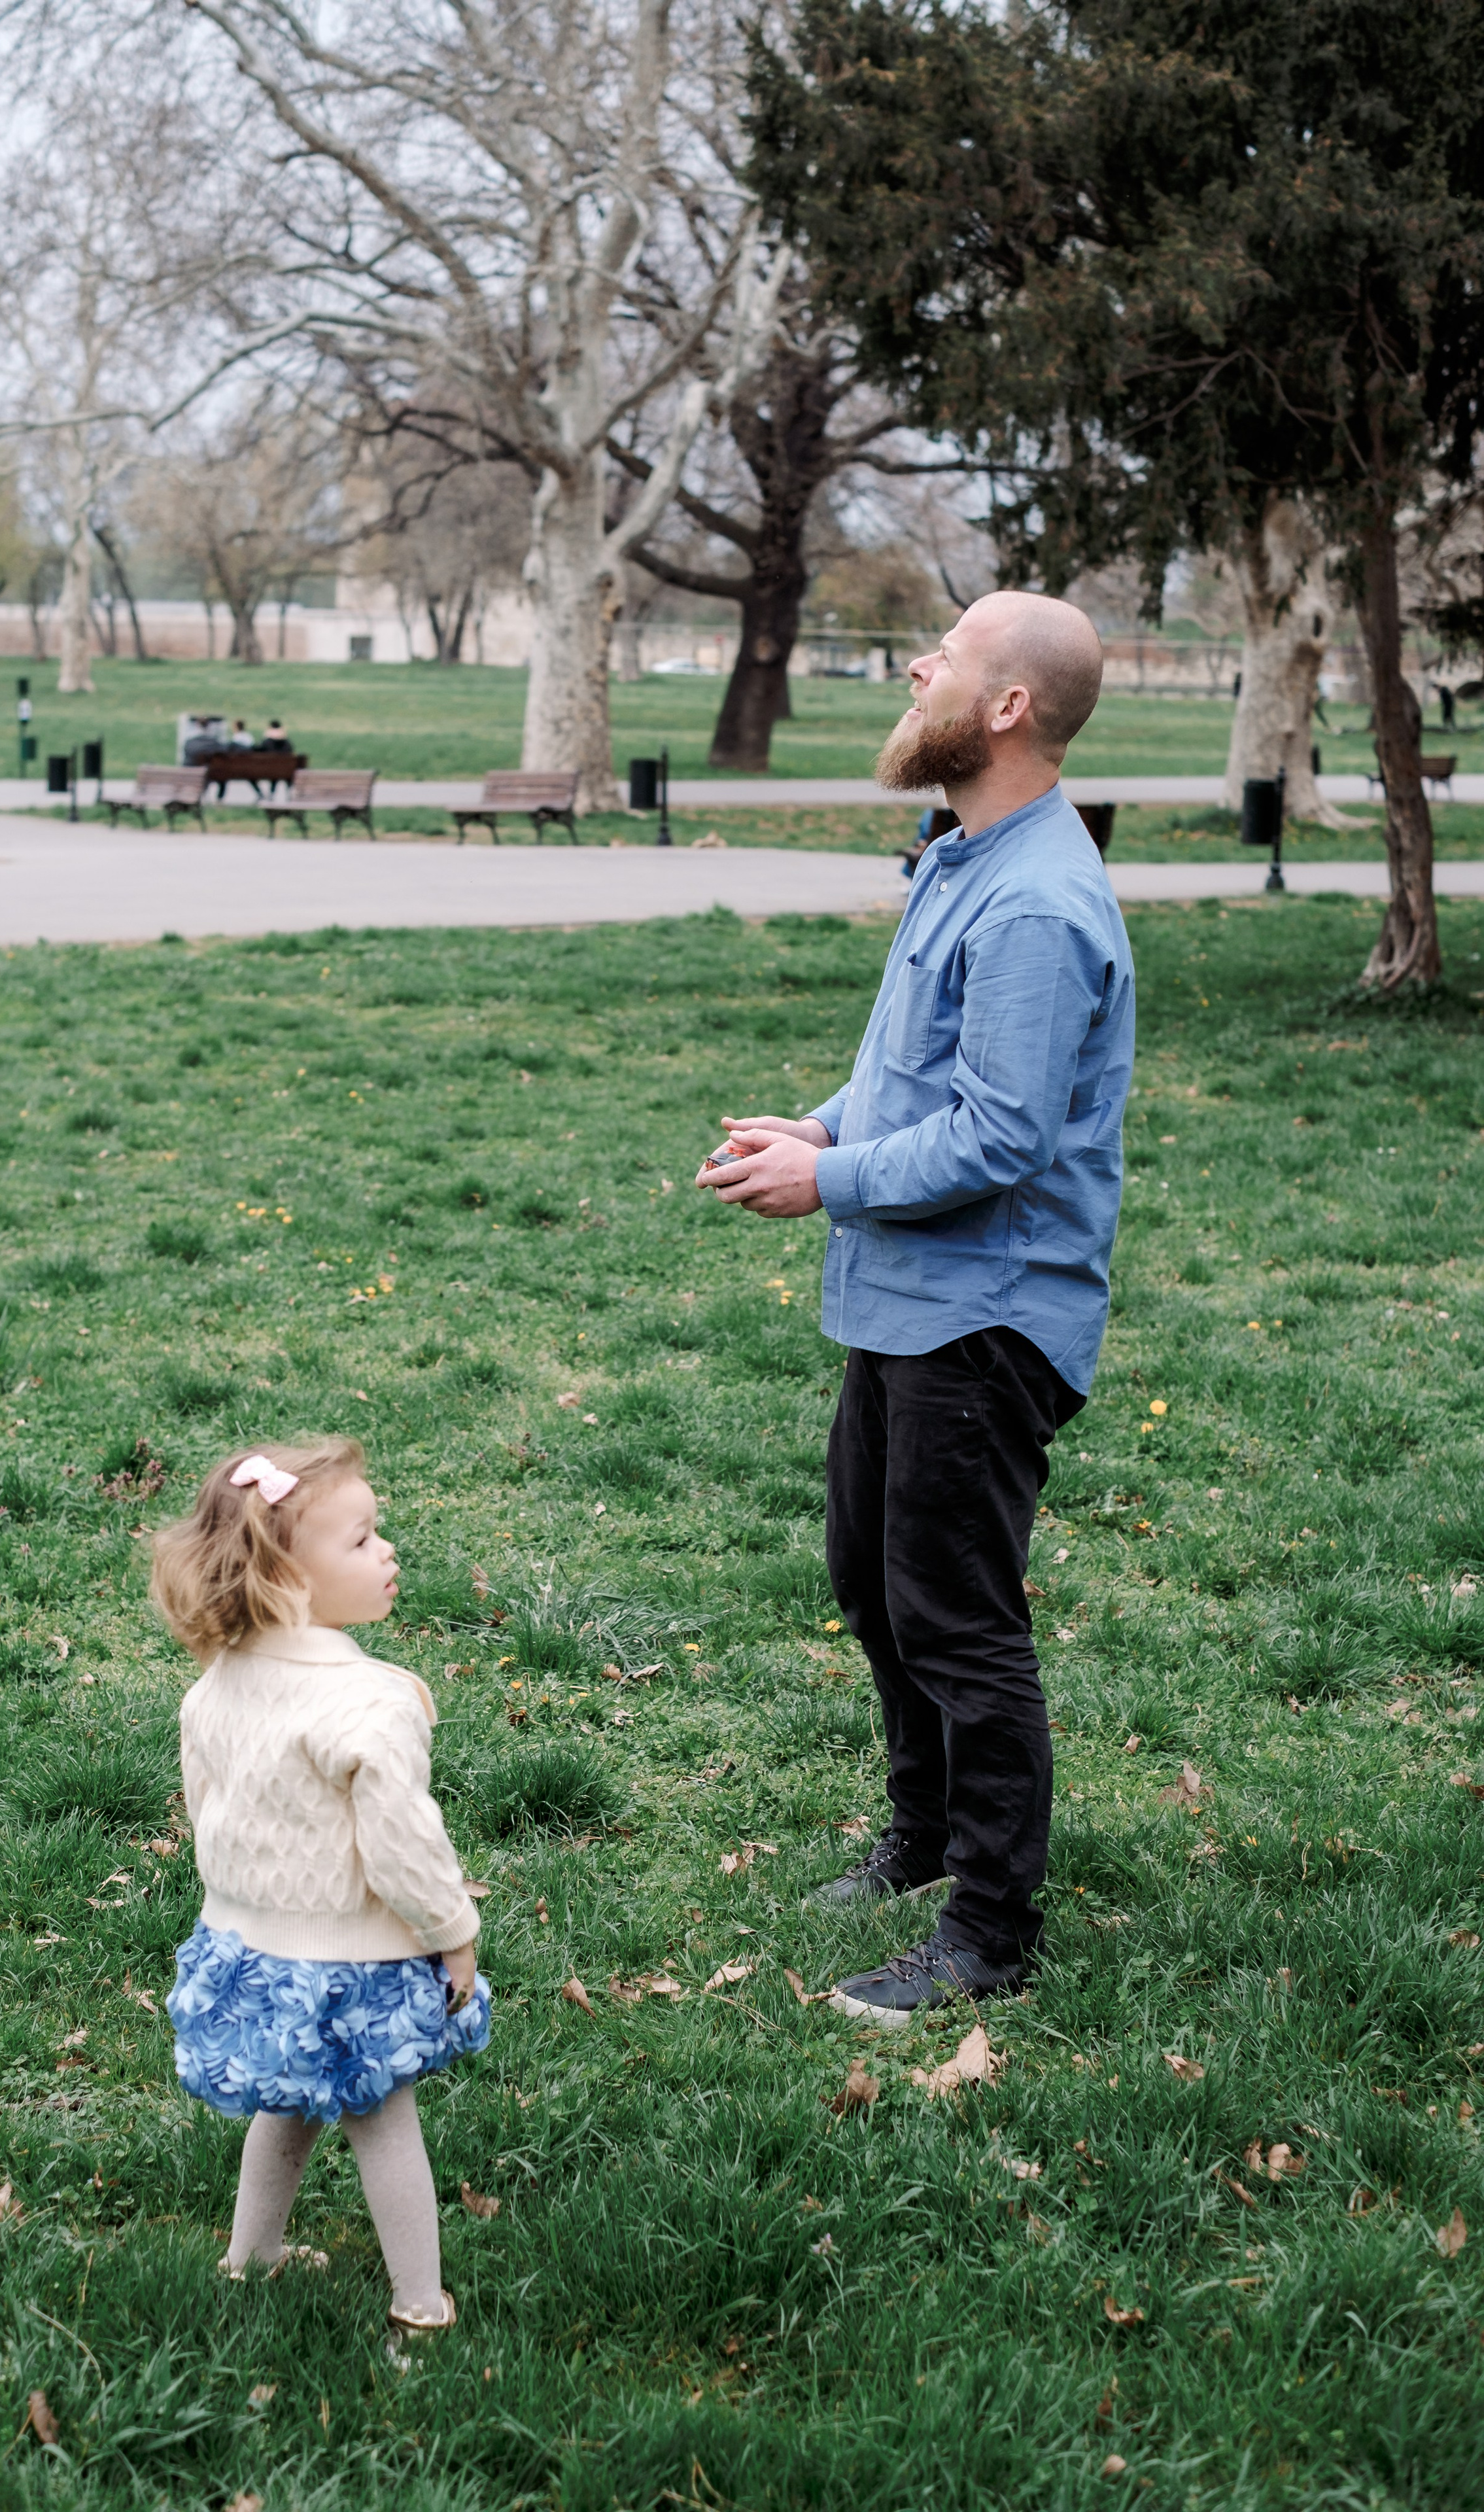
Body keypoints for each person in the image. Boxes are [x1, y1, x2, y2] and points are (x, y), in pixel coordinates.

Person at [695, 590, 1134, 2023]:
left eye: (938, 659)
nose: (912, 667)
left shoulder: (1036, 904)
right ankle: (925, 1837)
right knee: (872, 1589)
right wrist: (819, 1131)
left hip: (982, 1315)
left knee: (952, 1619)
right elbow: (909, 1073)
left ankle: (990, 1930)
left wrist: (826, 1186)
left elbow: (1000, 1139)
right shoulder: (961, 855)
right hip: (902, 1299)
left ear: (1004, 708)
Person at [152, 1437, 487, 2335]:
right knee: (382, 2121)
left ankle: (250, 2253)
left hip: (252, 1947)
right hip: (356, 1960)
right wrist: (451, 1927)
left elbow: (205, 1806)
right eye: (362, 1540)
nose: (388, 1553)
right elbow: (403, 1844)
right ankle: (420, 2302)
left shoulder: (218, 1684)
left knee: (286, 2103)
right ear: (288, 1575)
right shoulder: (373, 1702)